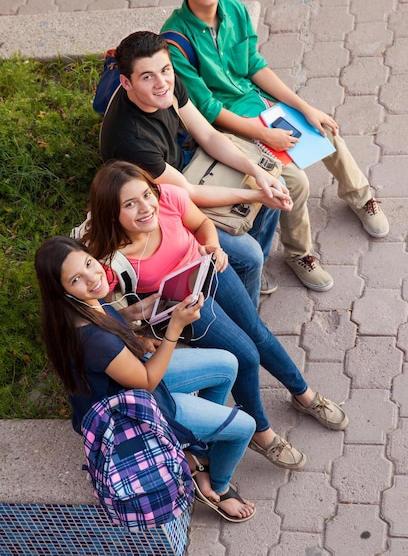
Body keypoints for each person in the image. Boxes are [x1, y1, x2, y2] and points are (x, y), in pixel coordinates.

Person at [83, 160, 349, 472]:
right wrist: (133, 321)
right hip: (185, 305)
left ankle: (304, 395)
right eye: (130, 204)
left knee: (257, 331)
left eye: (146, 195)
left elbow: (200, 225)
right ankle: (261, 434)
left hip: (209, 270)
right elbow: (101, 312)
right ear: (111, 213)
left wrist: (211, 245)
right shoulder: (110, 258)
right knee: (246, 356)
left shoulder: (169, 198)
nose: (145, 208)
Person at [161, 0, 389, 292]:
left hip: (258, 106)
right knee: (295, 180)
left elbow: (254, 66)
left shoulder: (234, 10)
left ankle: (360, 197)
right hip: (229, 127)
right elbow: (207, 110)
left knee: (325, 130)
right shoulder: (175, 40)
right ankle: (300, 253)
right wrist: (265, 135)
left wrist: (303, 107)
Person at [34, 235, 258, 522]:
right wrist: (174, 327)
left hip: (133, 379)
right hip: (136, 411)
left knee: (227, 363)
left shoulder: (79, 305)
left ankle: (197, 453)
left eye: (89, 263)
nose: (92, 278)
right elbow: (148, 381)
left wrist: (135, 313)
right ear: (62, 291)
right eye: (76, 279)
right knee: (245, 427)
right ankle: (218, 486)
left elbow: (109, 318)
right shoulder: (93, 341)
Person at [99, 30, 294, 308]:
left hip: (188, 164)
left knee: (273, 182)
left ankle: (246, 270)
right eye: (147, 77)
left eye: (165, 70)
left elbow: (208, 135)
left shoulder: (167, 85)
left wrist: (258, 174)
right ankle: (246, 306)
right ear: (126, 82)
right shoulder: (130, 141)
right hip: (160, 204)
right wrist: (255, 195)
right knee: (250, 253)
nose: (161, 83)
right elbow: (187, 194)